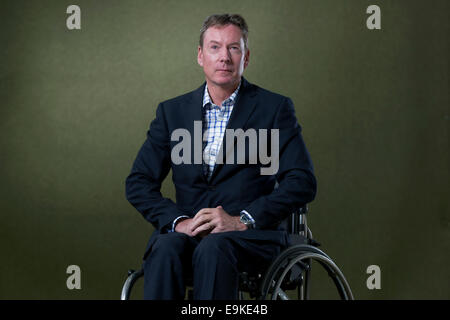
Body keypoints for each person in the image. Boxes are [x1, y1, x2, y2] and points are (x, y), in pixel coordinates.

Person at [125, 13, 316, 300]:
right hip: (190, 232)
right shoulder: (172, 113)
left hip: (249, 236)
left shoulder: (274, 109)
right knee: (165, 247)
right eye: (215, 47)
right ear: (201, 56)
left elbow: (302, 182)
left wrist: (243, 220)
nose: (224, 57)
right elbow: (139, 182)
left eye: (233, 48)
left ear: (246, 57)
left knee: (214, 248)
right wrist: (179, 222)